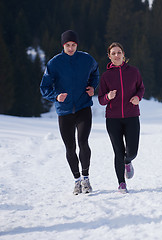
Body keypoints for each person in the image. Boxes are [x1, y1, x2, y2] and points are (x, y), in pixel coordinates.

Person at [40, 30, 99, 195]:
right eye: (68, 45)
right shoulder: (54, 63)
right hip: (64, 111)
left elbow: (96, 72)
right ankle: (77, 180)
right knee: (70, 147)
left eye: (73, 45)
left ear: (77, 45)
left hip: (83, 107)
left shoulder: (86, 59)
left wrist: (92, 86)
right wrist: (56, 96)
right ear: (63, 45)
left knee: (83, 142)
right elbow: (44, 88)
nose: (71, 48)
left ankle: (86, 178)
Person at [98, 42, 145, 193]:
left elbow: (141, 88)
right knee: (118, 151)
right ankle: (121, 183)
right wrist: (108, 96)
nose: (116, 56)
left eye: (119, 52)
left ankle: (128, 161)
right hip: (113, 119)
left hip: (132, 116)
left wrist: (138, 97)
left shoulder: (133, 71)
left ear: (123, 54)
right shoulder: (106, 76)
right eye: (113, 53)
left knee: (132, 152)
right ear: (109, 57)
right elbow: (100, 100)